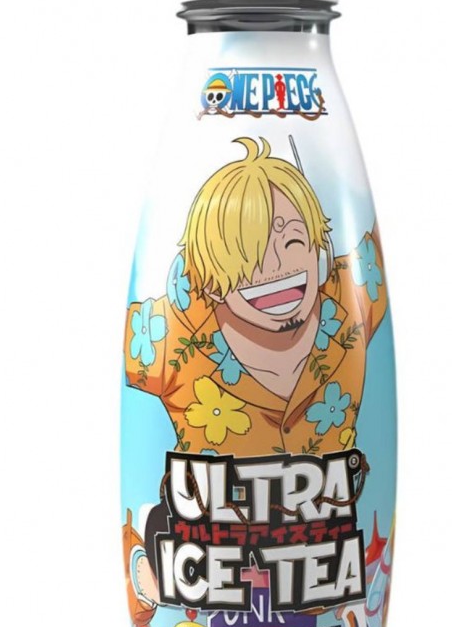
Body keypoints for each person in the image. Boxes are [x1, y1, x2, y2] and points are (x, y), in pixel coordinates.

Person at [124, 137, 387, 457]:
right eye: (248, 256)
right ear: (212, 283)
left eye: (292, 240)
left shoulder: (353, 292)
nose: (276, 264)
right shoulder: (162, 337)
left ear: (320, 253)